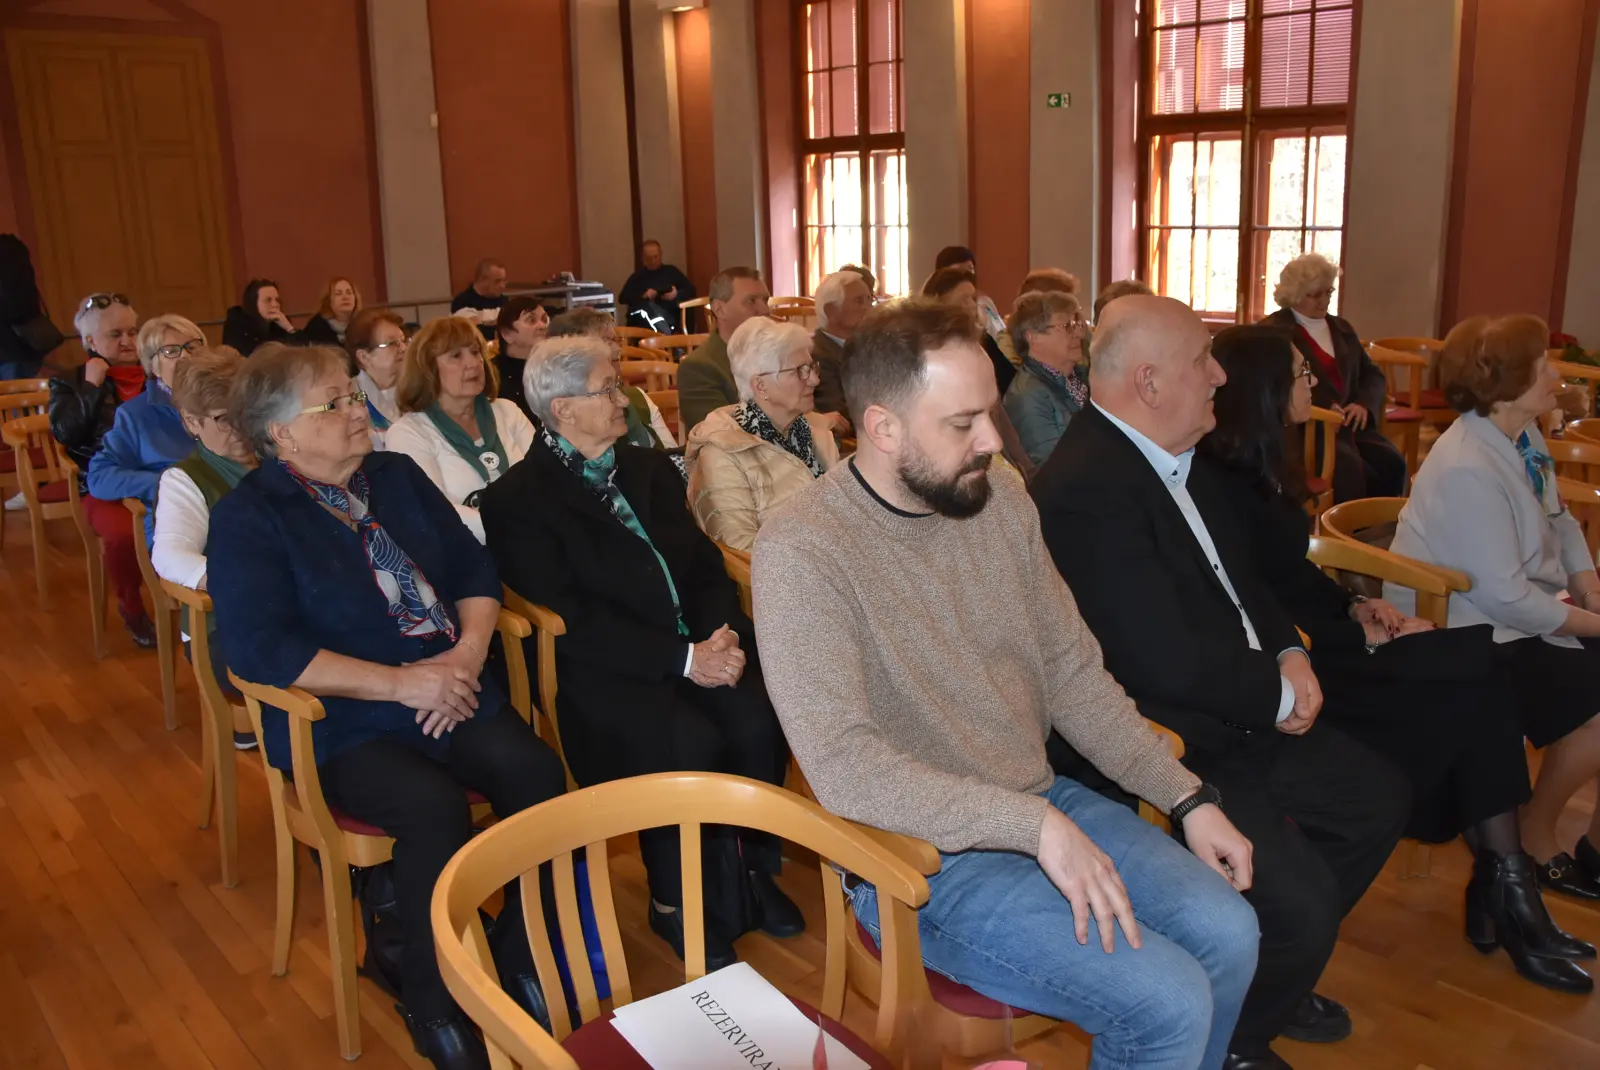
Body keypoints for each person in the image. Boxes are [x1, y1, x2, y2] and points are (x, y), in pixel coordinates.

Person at [754, 298, 1260, 1070]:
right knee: (1169, 1000)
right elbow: (846, 769)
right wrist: (1034, 827)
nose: (994, 440)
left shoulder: (1001, 500)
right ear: (884, 429)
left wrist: (1184, 795)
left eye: (991, 411)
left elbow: (1070, 673)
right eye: (963, 423)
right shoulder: (803, 551)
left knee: (1232, 932)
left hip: (1033, 800)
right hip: (919, 860)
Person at [1032, 295, 1410, 1069]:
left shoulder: (1181, 454)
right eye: (1202, 360)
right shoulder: (1084, 489)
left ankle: (1263, 974)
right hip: (1169, 738)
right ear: (1149, 382)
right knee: (1300, 901)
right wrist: (1276, 697)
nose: (1217, 375)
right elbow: (1157, 661)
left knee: (1377, 800)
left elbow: (1246, 584)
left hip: (1238, 703)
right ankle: (1236, 1032)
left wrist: (1289, 655)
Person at [1200, 324, 1592, 993]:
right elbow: (1250, 607)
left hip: (1326, 643)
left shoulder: (1262, 467)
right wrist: (1349, 634)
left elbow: (1291, 579)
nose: (1313, 383)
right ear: (1263, 389)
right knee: (1474, 680)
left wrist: (1359, 609)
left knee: (1479, 676)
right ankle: (1506, 887)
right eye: (1299, 373)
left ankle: (1505, 883)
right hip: (1290, 673)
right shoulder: (1220, 481)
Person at [207, 342, 565, 1069]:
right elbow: (258, 650)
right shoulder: (251, 518)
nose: (357, 411)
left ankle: (520, 951)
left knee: (537, 775)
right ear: (282, 435)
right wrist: (405, 684)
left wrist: (464, 656)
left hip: (450, 684)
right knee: (431, 807)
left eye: (353, 395)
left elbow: (473, 568)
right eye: (334, 403)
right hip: (346, 720)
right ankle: (433, 1001)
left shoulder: (395, 475)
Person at [479, 335, 800, 972]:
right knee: (688, 743)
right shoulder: (518, 501)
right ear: (562, 409)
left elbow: (706, 568)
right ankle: (673, 900)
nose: (623, 396)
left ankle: (746, 870)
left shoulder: (647, 468)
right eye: (606, 388)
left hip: (700, 645)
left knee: (757, 718)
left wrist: (722, 635)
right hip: (610, 671)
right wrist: (683, 660)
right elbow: (575, 621)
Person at [1389, 314, 1600, 904]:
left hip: (1520, 610)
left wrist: (1591, 593)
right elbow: (1502, 596)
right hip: (1465, 627)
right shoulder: (1465, 467)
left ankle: (1596, 849)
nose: (1556, 373)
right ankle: (1535, 836)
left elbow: (1560, 520)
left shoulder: (1521, 434)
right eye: (1542, 366)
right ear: (1505, 382)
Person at [150, 346, 260, 749]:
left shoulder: (280, 457)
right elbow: (169, 555)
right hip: (224, 629)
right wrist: (240, 584)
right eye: (224, 418)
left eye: (247, 411)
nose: (242, 427)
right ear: (191, 422)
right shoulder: (185, 479)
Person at [49, 292, 156, 646]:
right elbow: (65, 433)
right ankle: (133, 607)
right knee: (125, 535)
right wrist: (92, 387)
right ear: (90, 341)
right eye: (116, 334)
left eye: (132, 332)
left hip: (156, 475)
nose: (128, 341)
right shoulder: (70, 381)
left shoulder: (156, 372)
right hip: (100, 484)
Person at [685, 317, 840, 551]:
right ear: (761, 386)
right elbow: (740, 549)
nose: (815, 380)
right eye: (800, 371)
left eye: (812, 366)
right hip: (787, 580)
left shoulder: (816, 432)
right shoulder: (721, 455)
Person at [1261, 253, 1406, 502]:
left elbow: (1372, 375)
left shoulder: (1342, 328)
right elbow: (1271, 386)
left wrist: (1363, 404)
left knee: (1392, 462)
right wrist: (1321, 409)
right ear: (1294, 294)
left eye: (1328, 292)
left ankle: (1380, 527)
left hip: (1351, 426)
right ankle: (1346, 532)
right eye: (1315, 295)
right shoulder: (1274, 332)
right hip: (1307, 431)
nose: (1324, 301)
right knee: (1349, 472)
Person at [385, 316, 534, 544]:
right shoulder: (408, 433)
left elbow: (546, 480)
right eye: (456, 356)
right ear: (428, 369)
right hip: (471, 557)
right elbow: (434, 511)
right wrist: (518, 529)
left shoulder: (508, 412)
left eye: (475, 352)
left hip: (536, 546)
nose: (473, 363)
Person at [88, 312, 202, 547]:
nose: (187, 356)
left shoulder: (229, 401)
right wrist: (164, 483)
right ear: (153, 366)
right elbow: (100, 477)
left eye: (193, 346)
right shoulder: (135, 415)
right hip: (177, 522)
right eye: (171, 351)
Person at [546, 307, 676, 449]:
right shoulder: (565, 412)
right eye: (606, 341)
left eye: (615, 340)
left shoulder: (637, 397)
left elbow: (671, 458)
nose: (618, 349)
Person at [677, 266, 771, 434]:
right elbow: (722, 437)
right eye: (751, 301)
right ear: (720, 310)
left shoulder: (778, 355)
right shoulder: (699, 367)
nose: (764, 310)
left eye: (765, 300)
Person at [1004, 290, 1090, 466]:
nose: (1079, 334)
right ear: (1033, 337)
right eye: (1066, 326)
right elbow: (1053, 468)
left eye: (1077, 324)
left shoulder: (1084, 376)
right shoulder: (1027, 396)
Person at [922, 266, 1015, 394]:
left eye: (973, 298)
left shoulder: (982, 339)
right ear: (939, 303)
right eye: (963, 300)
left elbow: (1009, 381)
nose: (972, 305)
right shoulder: (928, 347)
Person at [810, 269, 873, 420]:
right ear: (831, 312)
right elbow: (839, 414)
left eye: (870, 300)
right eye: (859, 301)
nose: (869, 308)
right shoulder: (817, 355)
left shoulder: (868, 346)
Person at [346, 307, 407, 450]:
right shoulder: (350, 399)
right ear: (364, 356)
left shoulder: (417, 391)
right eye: (392, 343)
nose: (404, 348)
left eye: (403, 340)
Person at [491, 295, 549, 421]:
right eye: (531, 320)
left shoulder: (553, 367)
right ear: (507, 334)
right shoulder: (492, 376)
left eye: (544, 320)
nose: (542, 326)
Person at [619, 239, 696, 331]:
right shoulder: (637, 277)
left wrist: (676, 294)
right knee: (647, 308)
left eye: (656, 257)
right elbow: (623, 298)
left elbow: (691, 290)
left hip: (671, 314)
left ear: (661, 255)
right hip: (646, 319)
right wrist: (644, 296)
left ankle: (665, 330)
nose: (653, 260)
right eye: (649, 258)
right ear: (643, 258)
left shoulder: (671, 271)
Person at [933, 245, 1007, 340]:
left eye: (970, 269)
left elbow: (1000, 331)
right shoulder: (935, 310)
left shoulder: (984, 303)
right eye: (959, 271)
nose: (966, 276)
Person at [222, 279, 298, 355]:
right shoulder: (237, 324)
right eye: (268, 300)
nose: (275, 305)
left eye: (277, 300)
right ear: (254, 303)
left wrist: (289, 328)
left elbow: (301, 353)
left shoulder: (281, 324)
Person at [450, 257, 509, 337]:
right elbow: (477, 333)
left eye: (503, 281)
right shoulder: (462, 302)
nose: (502, 286)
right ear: (482, 280)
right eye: (497, 281)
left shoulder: (504, 301)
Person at [298, 277, 362, 347]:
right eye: (338, 294)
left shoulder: (363, 324)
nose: (345, 297)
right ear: (328, 300)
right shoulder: (316, 327)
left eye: (349, 292)